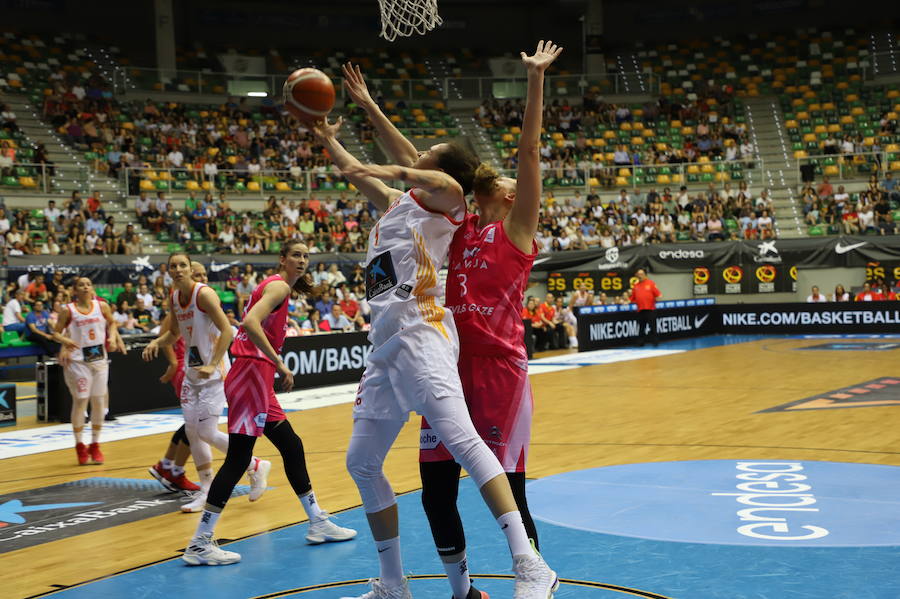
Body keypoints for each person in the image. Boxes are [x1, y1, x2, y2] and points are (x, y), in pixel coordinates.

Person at [316, 59, 556, 597]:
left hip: (493, 366)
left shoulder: (513, 231)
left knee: (504, 477)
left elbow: (451, 167)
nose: (505, 180)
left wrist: (536, 78)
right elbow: (416, 168)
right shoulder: (459, 228)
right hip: (434, 356)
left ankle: (532, 568)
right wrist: (368, 109)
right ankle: (454, 590)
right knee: (434, 490)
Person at [177, 241, 356, 566]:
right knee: (238, 459)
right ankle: (200, 542)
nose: (301, 260)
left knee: (292, 445)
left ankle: (317, 521)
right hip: (250, 377)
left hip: (257, 379)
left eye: (305, 255)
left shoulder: (276, 286)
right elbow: (249, 323)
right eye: (296, 255)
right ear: (282, 259)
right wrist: (279, 361)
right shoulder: (276, 287)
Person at [143, 255, 273, 514]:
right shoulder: (173, 297)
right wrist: (157, 342)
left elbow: (227, 330)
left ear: (190, 270)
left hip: (214, 373)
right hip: (193, 373)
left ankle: (255, 465)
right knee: (192, 432)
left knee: (205, 432)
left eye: (183, 266)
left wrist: (213, 363)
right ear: (168, 271)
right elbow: (175, 333)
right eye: (173, 266)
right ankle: (205, 490)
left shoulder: (204, 295)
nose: (178, 270)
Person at [52, 277, 126, 465]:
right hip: (78, 361)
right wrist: (65, 341)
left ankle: (95, 444)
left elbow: (112, 323)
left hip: (99, 359)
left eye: (88, 284)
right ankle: (79, 445)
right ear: (75, 290)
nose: (85, 287)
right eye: (81, 285)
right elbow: (55, 333)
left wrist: (113, 338)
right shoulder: (68, 310)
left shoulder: (102, 306)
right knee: (81, 400)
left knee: (99, 401)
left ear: (92, 288)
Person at [630, 269, 661, 346]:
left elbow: (658, 295)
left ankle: (655, 342)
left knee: (653, 327)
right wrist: (625, 301)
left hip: (650, 310)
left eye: (641, 274)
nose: (640, 276)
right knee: (641, 328)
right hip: (640, 310)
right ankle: (640, 342)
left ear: (645, 275)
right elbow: (632, 298)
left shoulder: (651, 283)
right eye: (638, 274)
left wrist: (657, 299)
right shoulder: (636, 286)